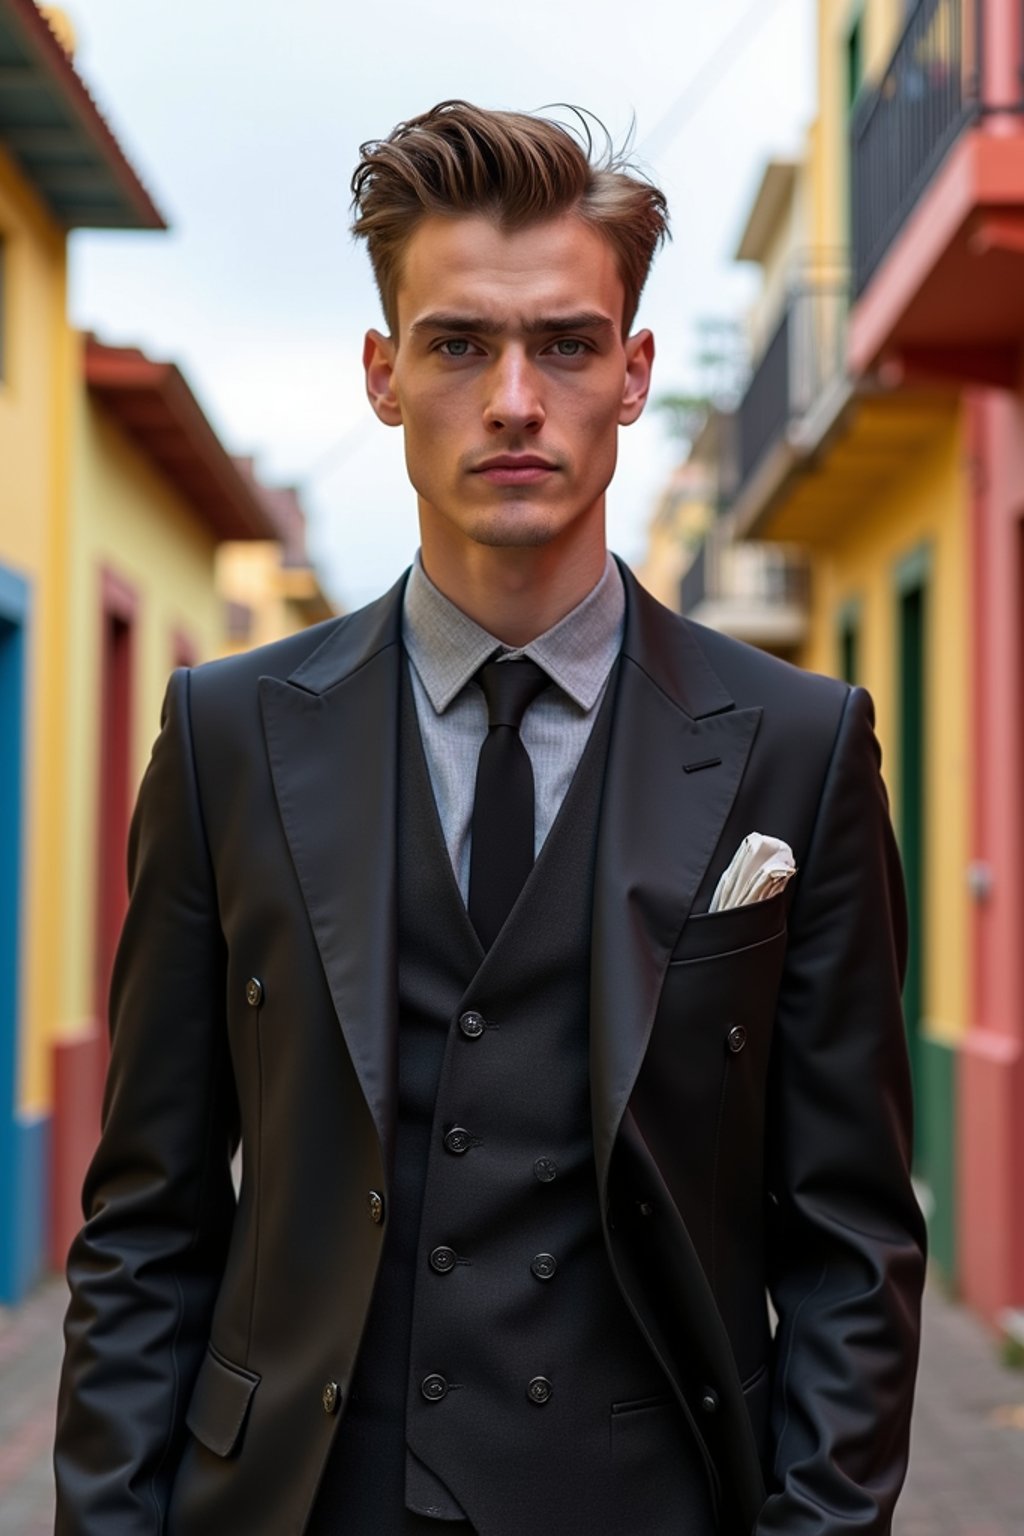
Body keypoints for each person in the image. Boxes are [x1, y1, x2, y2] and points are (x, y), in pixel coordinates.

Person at [54, 101, 926, 1536]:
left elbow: (850, 1237)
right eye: (460, 344)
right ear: (384, 373)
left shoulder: (798, 748)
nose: (515, 399)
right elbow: (148, 1222)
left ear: (633, 373)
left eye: (566, 345)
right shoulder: (228, 737)